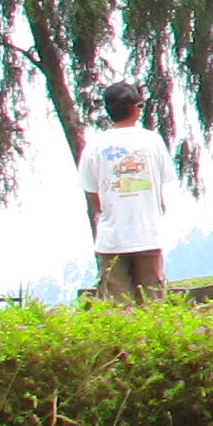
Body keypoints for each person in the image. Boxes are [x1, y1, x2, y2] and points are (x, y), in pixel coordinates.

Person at [81, 83, 177, 305]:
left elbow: (92, 193)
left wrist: (102, 213)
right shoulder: (153, 141)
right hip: (148, 235)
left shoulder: (95, 146)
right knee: (153, 303)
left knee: (117, 307)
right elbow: (162, 183)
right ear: (136, 108)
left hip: (111, 238)